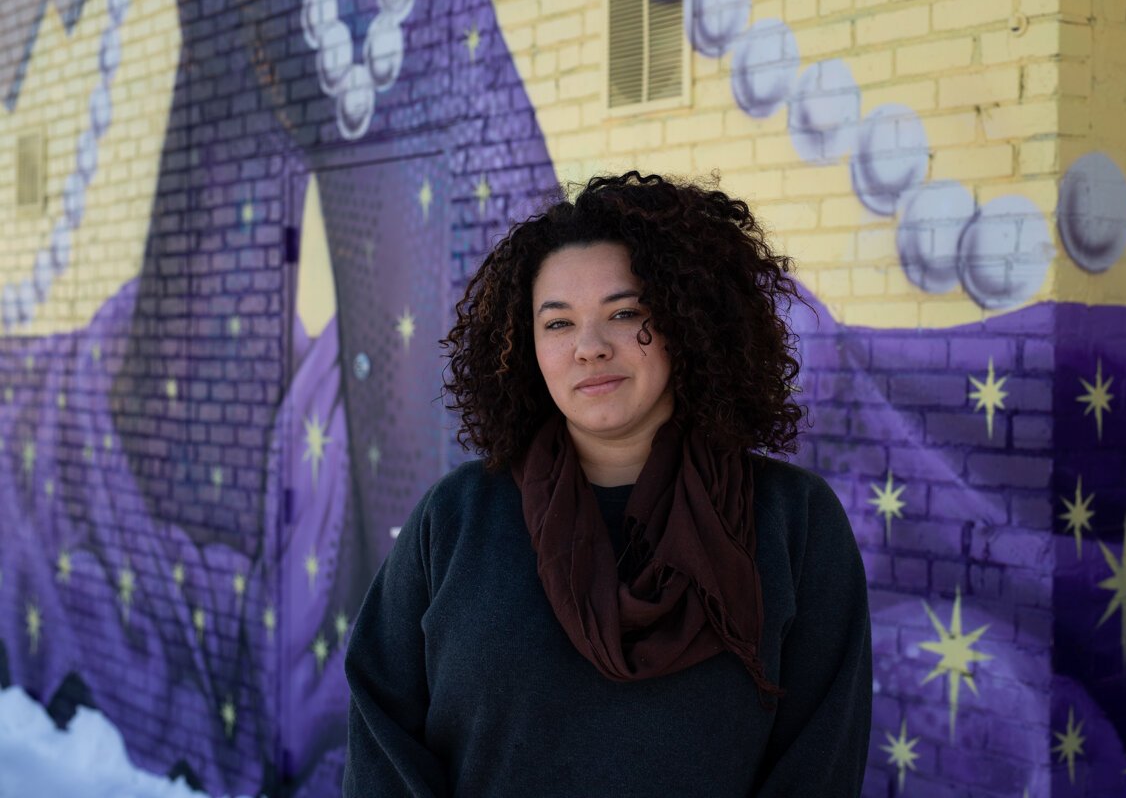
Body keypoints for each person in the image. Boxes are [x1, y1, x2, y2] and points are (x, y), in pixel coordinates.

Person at [343, 171, 872, 797]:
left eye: (625, 313)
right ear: (524, 347)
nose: (589, 347)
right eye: (558, 323)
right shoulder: (455, 519)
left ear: (687, 322)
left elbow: (819, 764)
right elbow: (383, 738)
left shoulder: (795, 523)